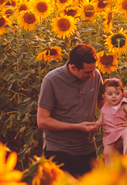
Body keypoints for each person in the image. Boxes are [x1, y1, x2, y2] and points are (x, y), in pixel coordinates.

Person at [36, 43, 103, 177]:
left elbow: (103, 105)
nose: (93, 75)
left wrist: (101, 121)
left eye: (94, 69)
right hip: (59, 151)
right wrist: (76, 127)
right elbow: (42, 121)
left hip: (87, 149)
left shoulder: (95, 75)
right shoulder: (52, 80)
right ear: (73, 67)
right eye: (88, 72)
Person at [99, 79, 127, 162]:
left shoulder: (122, 104)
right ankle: (110, 169)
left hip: (122, 129)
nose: (114, 96)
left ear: (122, 94)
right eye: (110, 94)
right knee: (107, 152)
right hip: (110, 133)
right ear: (104, 96)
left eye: (117, 93)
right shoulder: (104, 108)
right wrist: (95, 125)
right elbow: (100, 121)